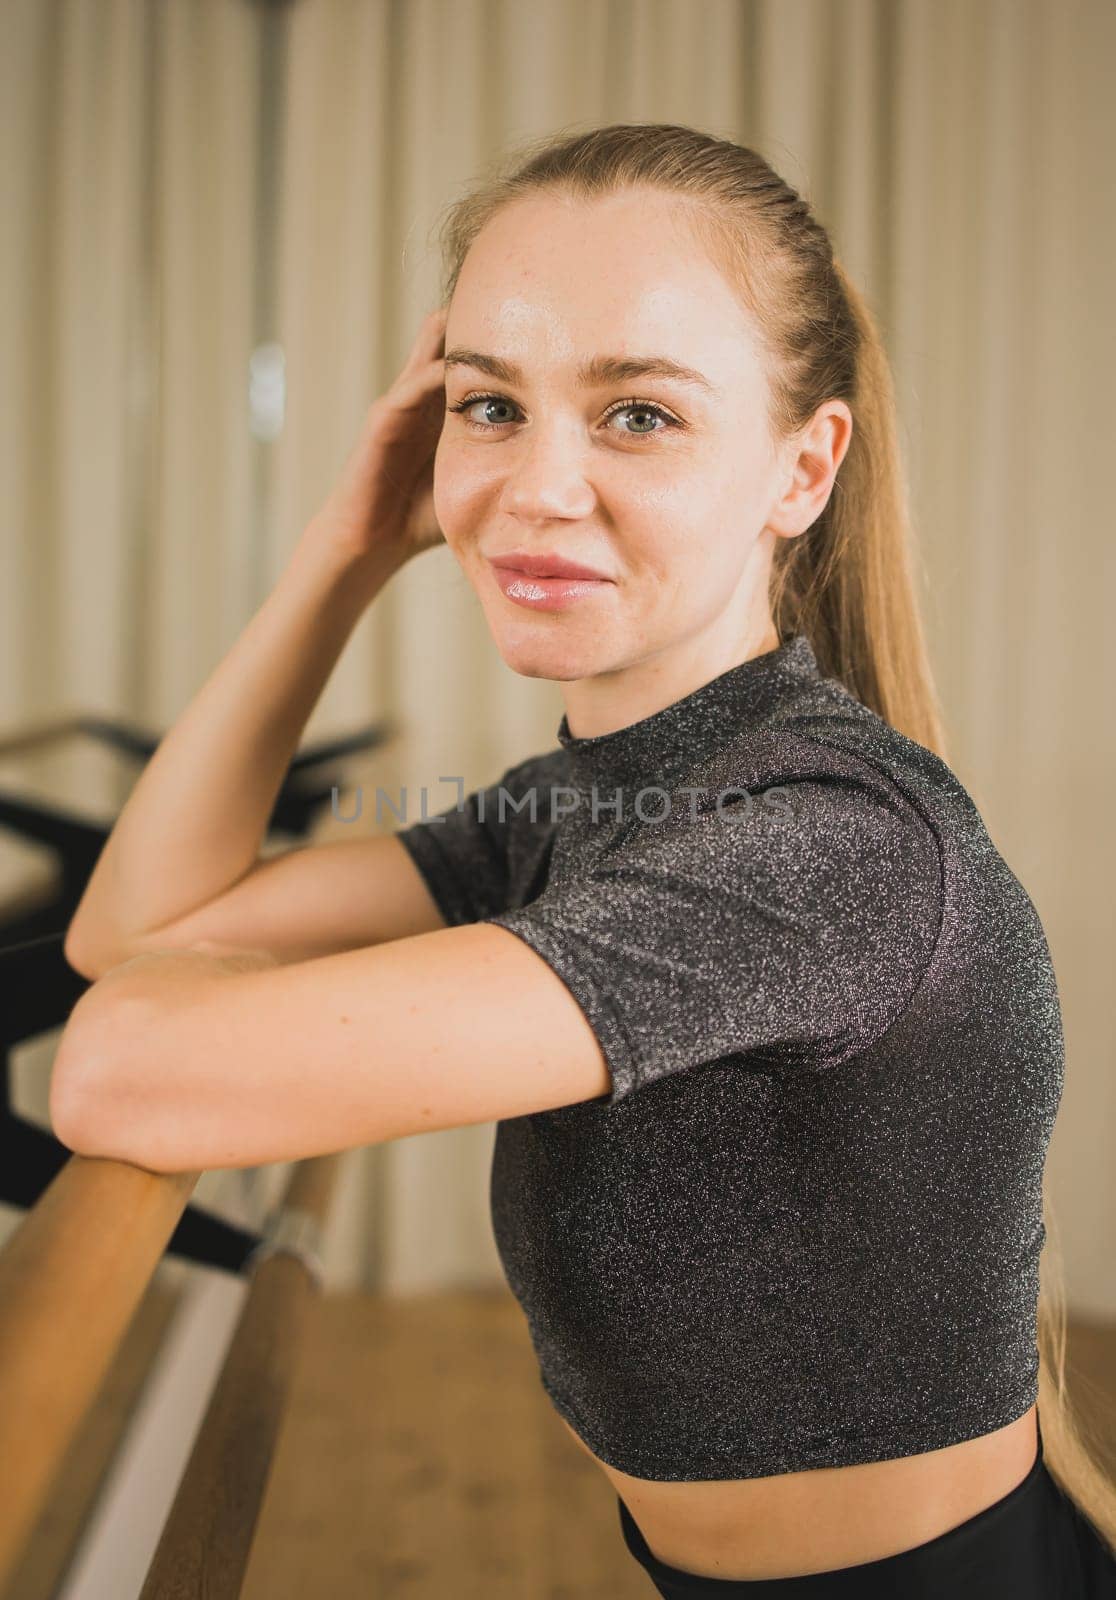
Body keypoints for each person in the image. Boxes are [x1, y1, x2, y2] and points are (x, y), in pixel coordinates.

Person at [55, 123, 1116, 1594]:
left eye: (638, 416)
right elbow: (135, 932)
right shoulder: (581, 809)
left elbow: (117, 1063)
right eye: (490, 405)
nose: (539, 487)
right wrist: (342, 554)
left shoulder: (824, 849)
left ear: (803, 468)